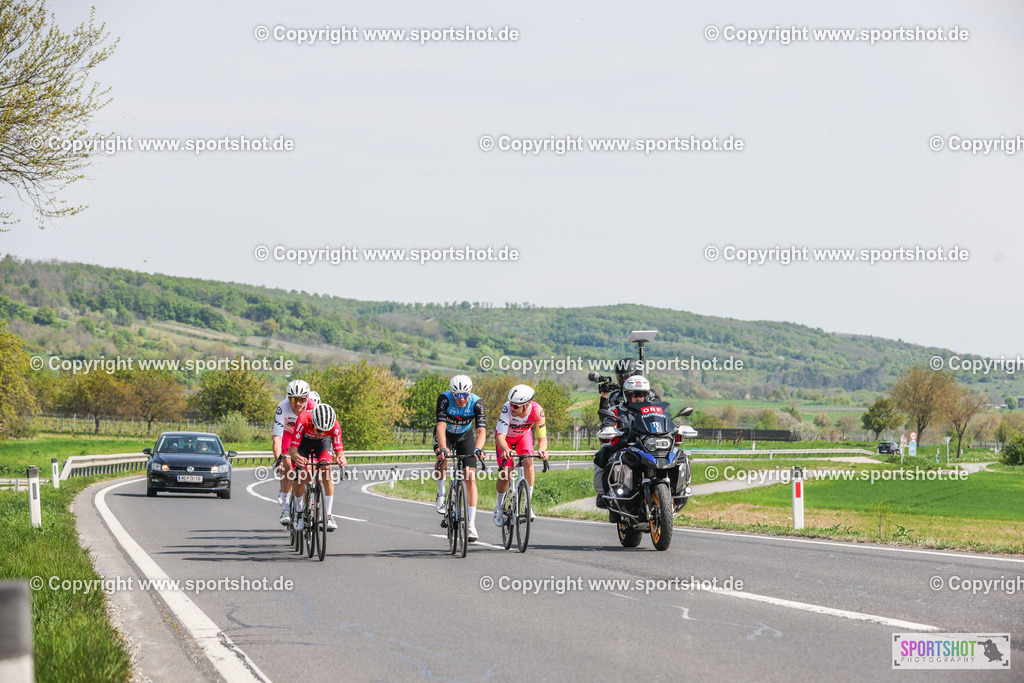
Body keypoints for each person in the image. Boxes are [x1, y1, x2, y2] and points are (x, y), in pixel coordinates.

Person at [434, 375, 486, 542]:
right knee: (444, 458)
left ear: (470, 392)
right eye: (457, 395)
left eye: (465, 394)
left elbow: (481, 431)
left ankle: (471, 525)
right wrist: (443, 448)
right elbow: (440, 427)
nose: (461, 399)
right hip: (446, 435)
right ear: (452, 393)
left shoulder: (477, 403)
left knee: (470, 477)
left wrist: (478, 449)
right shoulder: (444, 399)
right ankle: (441, 493)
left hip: (465, 436)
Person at [593, 375, 653, 508]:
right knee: (604, 459)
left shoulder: (653, 410)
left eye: (642, 394)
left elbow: (664, 422)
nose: (639, 397)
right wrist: (608, 429)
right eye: (635, 394)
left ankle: (673, 493)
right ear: (626, 394)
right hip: (624, 447)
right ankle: (606, 497)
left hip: (648, 448)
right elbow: (607, 422)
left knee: (676, 458)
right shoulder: (616, 410)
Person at [492, 384, 548, 526]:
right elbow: (501, 437)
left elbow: (542, 436)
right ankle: (498, 507)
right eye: (512, 404)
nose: (512, 408)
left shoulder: (537, 410)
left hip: (523, 437)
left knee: (529, 462)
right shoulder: (506, 409)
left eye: (516, 406)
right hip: (505, 439)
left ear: (526, 404)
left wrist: (542, 449)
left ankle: (527, 505)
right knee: (506, 472)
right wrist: (505, 449)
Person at [289, 403, 346, 532]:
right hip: (303, 443)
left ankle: (328, 516)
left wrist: (341, 458)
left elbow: (339, 451)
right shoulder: (303, 419)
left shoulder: (335, 426)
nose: (322, 433)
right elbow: (292, 450)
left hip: (323, 444)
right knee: (300, 475)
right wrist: (297, 457)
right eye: (319, 430)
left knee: (326, 469)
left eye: (326, 430)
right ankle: (298, 512)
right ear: (313, 422)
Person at [272, 379, 317, 525]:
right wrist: (278, 459)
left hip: (306, 437)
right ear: (288, 398)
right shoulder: (282, 407)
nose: (297, 404)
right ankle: (285, 507)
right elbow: (277, 438)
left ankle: (308, 500)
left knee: (309, 469)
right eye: (293, 399)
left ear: (307, 398)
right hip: (289, 435)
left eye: (301, 399)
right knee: (288, 466)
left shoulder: (314, 407)